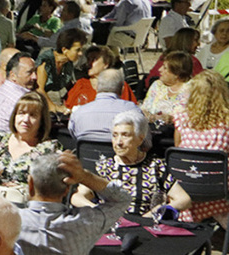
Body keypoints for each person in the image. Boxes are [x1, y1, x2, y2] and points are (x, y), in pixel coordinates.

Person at [75, 110, 191, 217]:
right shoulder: (103, 167)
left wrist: (154, 214)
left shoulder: (155, 166)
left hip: (145, 227)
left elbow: (184, 199)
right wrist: (98, 210)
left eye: (125, 135)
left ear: (140, 139)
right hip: (111, 226)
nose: (118, 142)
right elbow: (77, 196)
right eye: (115, 135)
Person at [0, 92, 63, 198]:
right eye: (21, 113)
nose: (26, 120)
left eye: (33, 115)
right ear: (14, 116)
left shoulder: (49, 149)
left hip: (25, 207)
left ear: (41, 121)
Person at [173, 70, 229, 224]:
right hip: (219, 188)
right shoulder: (226, 124)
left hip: (187, 185)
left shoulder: (182, 120)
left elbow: (178, 149)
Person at [67, 68, 140, 141]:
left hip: (86, 151)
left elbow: (73, 136)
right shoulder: (133, 111)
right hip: (120, 151)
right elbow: (144, 139)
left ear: (96, 87)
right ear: (122, 90)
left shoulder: (78, 113)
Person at [64, 46, 136, 109]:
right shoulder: (81, 85)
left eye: (94, 60)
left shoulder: (119, 85)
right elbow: (68, 108)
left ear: (106, 64)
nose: (89, 63)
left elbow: (130, 109)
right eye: (88, 59)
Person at [0, 52, 37, 131]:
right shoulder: (21, 100)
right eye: (29, 72)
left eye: (35, 72)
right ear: (13, 75)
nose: (35, 77)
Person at [34, 27, 85, 112]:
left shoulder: (68, 63)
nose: (80, 53)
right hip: (41, 105)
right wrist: (56, 108)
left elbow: (70, 85)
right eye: (77, 50)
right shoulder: (46, 61)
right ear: (64, 50)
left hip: (58, 102)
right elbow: (39, 90)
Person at [141, 50, 192, 124]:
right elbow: (144, 108)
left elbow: (193, 117)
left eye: (165, 68)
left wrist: (172, 119)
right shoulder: (157, 85)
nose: (159, 70)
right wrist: (149, 116)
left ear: (177, 73)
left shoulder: (192, 90)